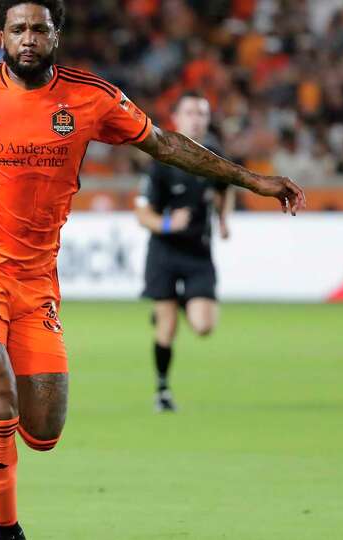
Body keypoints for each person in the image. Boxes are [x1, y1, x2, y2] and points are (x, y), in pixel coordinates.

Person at [0, 2, 305, 538]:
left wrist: (249, 179)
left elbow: (162, 143)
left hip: (36, 277)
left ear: (56, 34)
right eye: (17, 29)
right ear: (1, 33)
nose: (27, 39)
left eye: (39, 29)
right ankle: (7, 530)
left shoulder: (89, 98)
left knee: (43, 432)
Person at [134, 92, 234, 412]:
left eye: (203, 113)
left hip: (198, 253)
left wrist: (223, 220)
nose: (197, 119)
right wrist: (166, 224)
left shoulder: (215, 155)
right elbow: (141, 213)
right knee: (167, 328)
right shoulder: (162, 158)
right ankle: (162, 390)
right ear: (176, 117)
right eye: (190, 112)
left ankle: (176, 303)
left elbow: (225, 188)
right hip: (164, 252)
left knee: (204, 326)